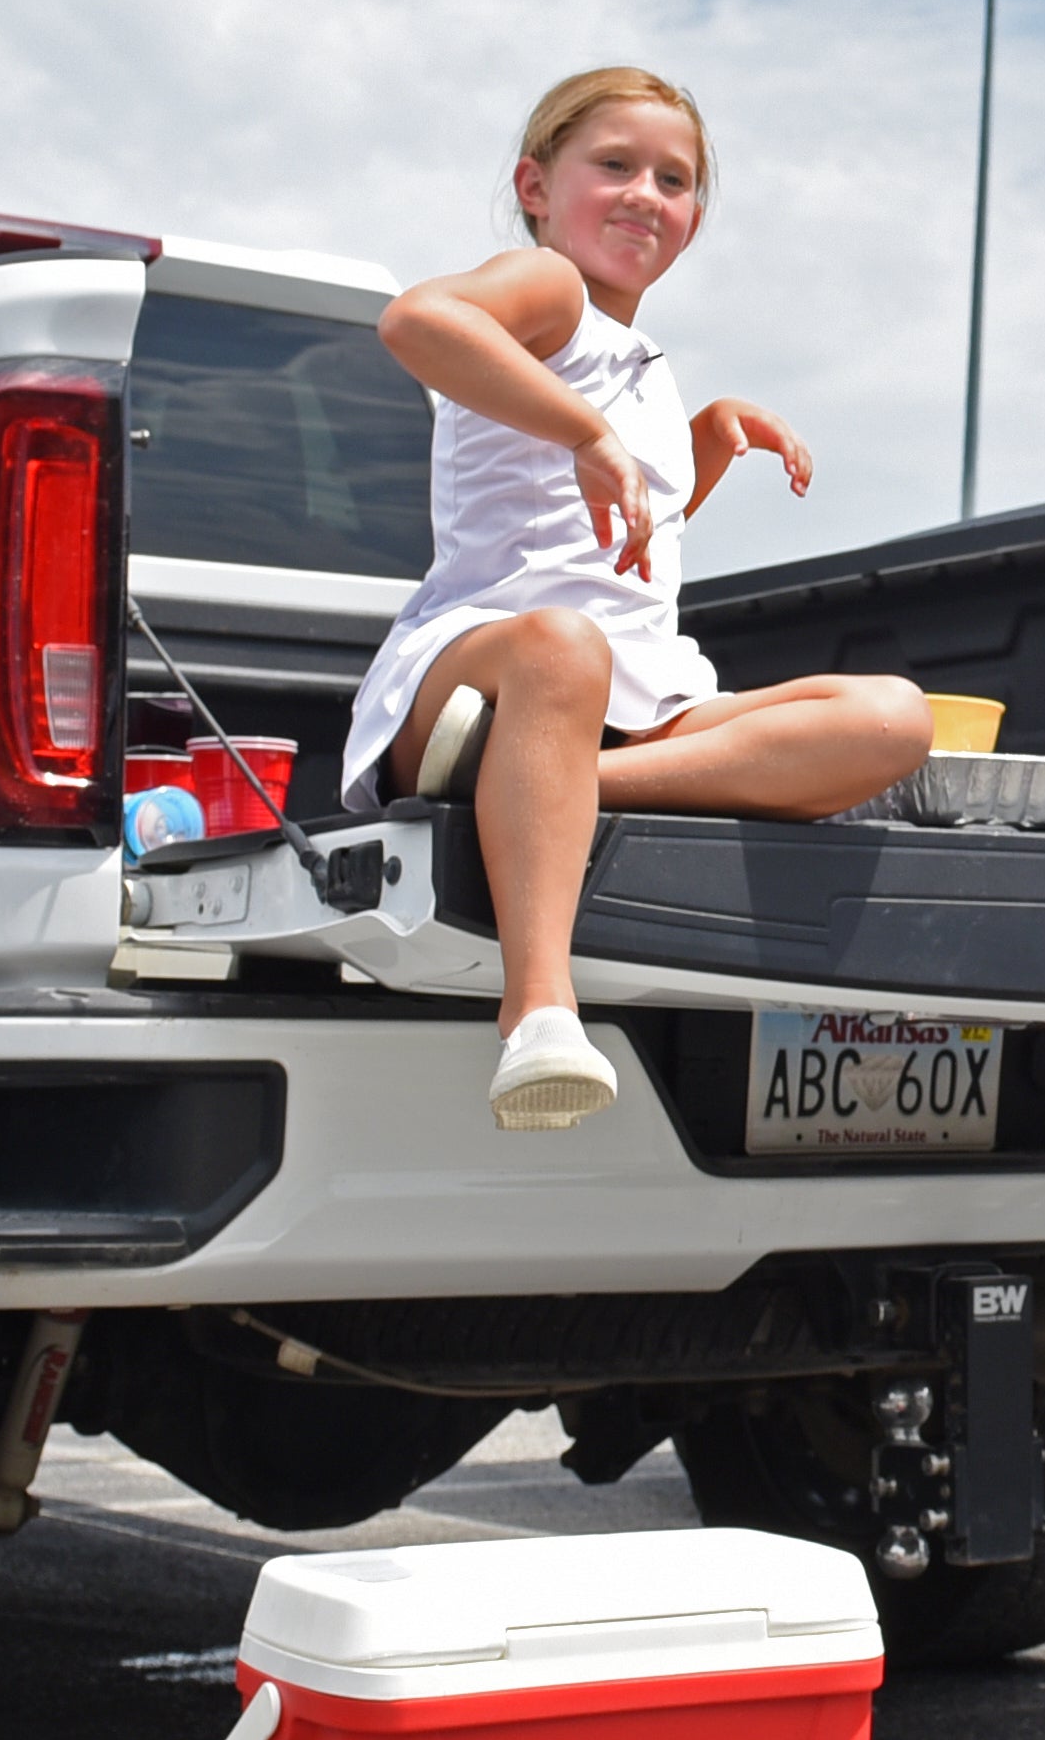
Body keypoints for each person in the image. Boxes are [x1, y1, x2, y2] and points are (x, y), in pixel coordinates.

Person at [347, 68, 930, 1130]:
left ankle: (557, 788)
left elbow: (613, 549)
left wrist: (697, 448)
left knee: (891, 714)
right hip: (492, 659)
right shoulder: (546, 288)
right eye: (612, 165)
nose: (644, 193)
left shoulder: (645, 364)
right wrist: (585, 432)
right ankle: (537, 1014)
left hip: (626, 692)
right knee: (568, 646)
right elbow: (415, 321)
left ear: (695, 219)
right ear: (535, 184)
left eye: (674, 178)